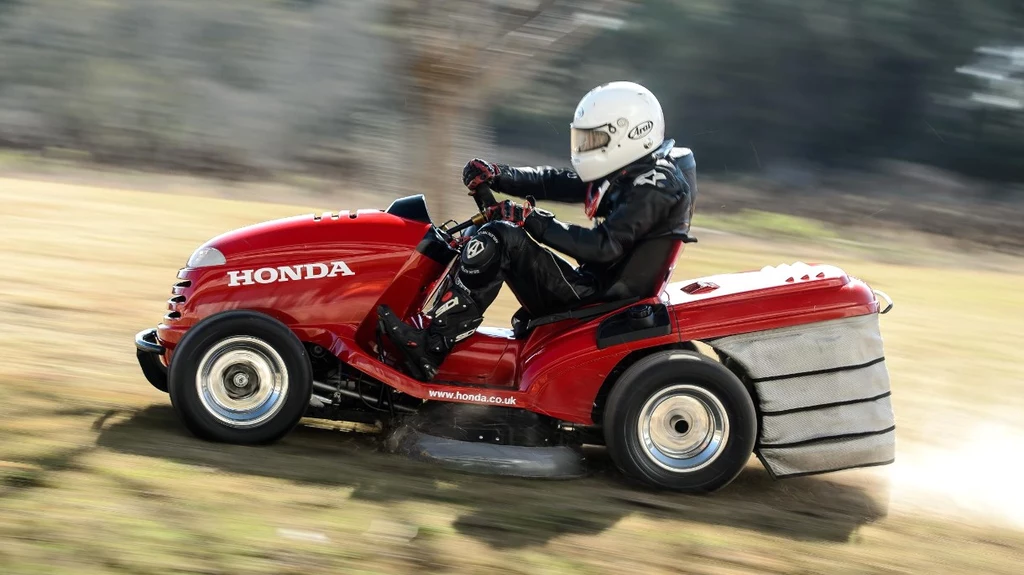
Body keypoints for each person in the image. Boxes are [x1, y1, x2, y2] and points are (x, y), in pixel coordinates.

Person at [377, 81, 697, 381]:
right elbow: (559, 181)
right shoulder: (640, 170)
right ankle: (430, 327)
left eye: (595, 139)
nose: (586, 148)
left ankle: (432, 347)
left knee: (500, 238)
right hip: (600, 286)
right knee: (493, 232)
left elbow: (604, 247)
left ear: (633, 134)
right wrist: (500, 175)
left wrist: (530, 219)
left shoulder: (655, 184)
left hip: (601, 299)